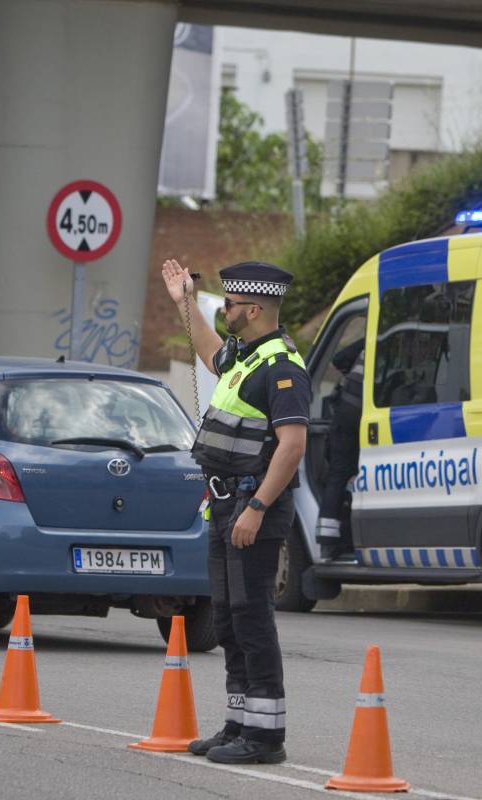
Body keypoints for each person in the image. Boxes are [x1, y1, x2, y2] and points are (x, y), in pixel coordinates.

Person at [161, 257, 311, 765]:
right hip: (224, 505)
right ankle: (238, 723)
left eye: (227, 304)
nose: (223, 309)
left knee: (252, 618)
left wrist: (257, 507)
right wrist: (183, 300)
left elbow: (291, 447)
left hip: (253, 507)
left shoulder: (282, 367)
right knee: (227, 618)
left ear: (251, 309)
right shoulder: (246, 357)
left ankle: (266, 737)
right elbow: (208, 352)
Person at [316, 337, 363, 560]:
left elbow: (339, 360)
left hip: (345, 414)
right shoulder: (406, 339)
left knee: (337, 476)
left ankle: (328, 544)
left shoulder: (372, 338)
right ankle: (352, 539)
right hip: (367, 415)